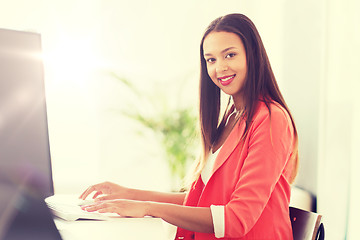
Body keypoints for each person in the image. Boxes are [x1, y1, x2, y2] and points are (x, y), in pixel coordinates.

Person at [80, 13, 298, 240]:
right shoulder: (232, 115)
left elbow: (237, 219)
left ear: (252, 56)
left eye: (230, 55)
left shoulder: (272, 120)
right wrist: (130, 195)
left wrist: (147, 208)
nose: (219, 68)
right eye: (211, 60)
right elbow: (199, 201)